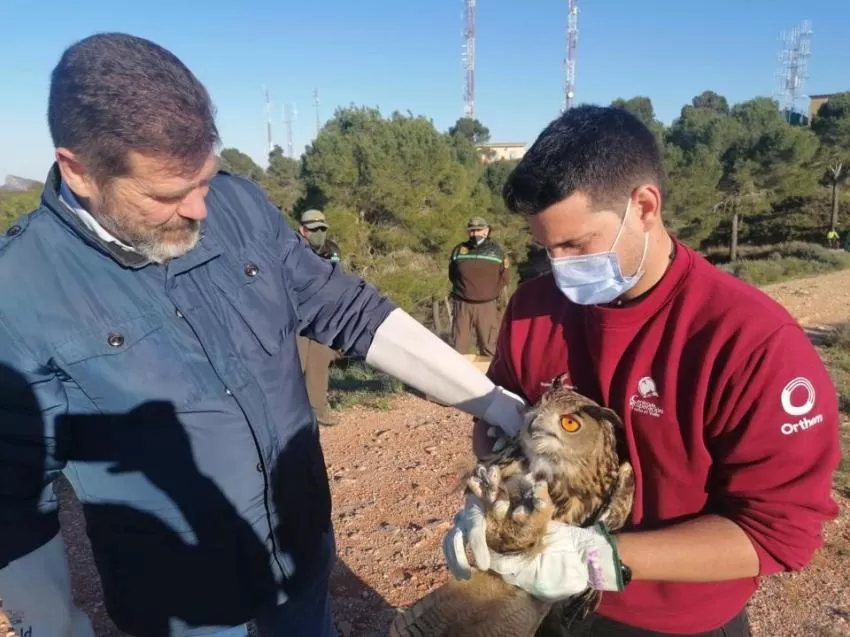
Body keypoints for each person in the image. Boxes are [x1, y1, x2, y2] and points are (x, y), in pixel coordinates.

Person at [0, 32, 528, 637]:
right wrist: (53, 626)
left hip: (300, 559)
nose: (201, 209)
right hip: (183, 605)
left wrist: (490, 400)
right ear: (80, 171)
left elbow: (346, 308)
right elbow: (12, 497)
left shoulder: (239, 205)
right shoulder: (17, 292)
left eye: (206, 178)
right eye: (169, 194)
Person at [443, 105, 842, 636]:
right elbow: (500, 422)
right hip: (539, 600)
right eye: (544, 248)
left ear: (645, 205)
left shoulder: (749, 340)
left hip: (674, 619)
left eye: (575, 244)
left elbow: (778, 535)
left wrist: (597, 557)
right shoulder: (533, 307)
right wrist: (489, 497)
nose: (559, 266)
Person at [296, 209, 342, 427]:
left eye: (322, 229)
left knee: (319, 364)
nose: (318, 234)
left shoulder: (332, 250)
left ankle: (317, 410)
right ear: (302, 230)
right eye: (314, 230)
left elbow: (337, 279)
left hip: (323, 316)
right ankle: (292, 414)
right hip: (297, 317)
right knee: (295, 364)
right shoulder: (292, 249)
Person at [448, 217, 509, 357]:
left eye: (478, 230)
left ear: (486, 231)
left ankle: (490, 378)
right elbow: (452, 274)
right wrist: (464, 290)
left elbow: (505, 277)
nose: (474, 234)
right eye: (471, 231)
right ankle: (459, 378)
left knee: (489, 348)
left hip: (487, 306)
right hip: (462, 305)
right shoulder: (458, 250)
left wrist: (490, 292)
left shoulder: (497, 252)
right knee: (459, 348)